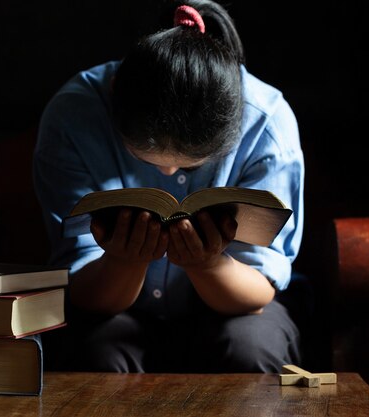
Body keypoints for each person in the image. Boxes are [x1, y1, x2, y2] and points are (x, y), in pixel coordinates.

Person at [33, 0, 304, 373]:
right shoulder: (75, 116)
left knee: (251, 349)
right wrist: (124, 260)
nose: (168, 172)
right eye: (147, 157)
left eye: (190, 163)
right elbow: (80, 286)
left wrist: (208, 264)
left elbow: (260, 289)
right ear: (116, 95)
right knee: (96, 356)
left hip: (234, 306)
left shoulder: (265, 121)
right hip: (112, 305)